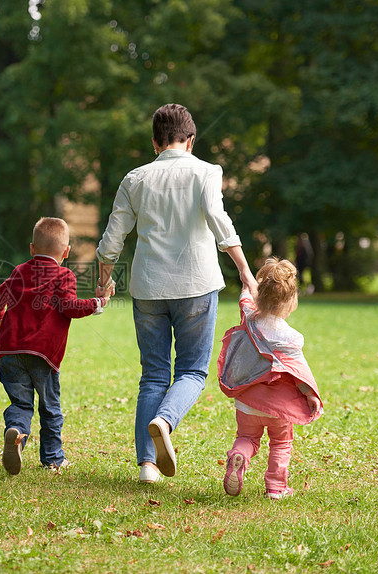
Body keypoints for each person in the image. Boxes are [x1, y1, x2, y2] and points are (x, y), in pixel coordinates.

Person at [95, 103, 258, 484]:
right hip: (196, 286)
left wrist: (104, 281)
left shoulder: (134, 179)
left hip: (148, 288)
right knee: (192, 371)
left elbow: (111, 240)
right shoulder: (206, 171)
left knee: (153, 375)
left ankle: (148, 467)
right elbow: (221, 224)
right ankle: (165, 421)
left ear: (155, 142)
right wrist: (246, 272)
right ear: (191, 139)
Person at [0, 217, 109, 475]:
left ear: (32, 248)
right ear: (66, 252)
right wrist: (98, 303)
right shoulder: (64, 274)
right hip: (43, 354)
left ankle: (17, 433)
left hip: (10, 351)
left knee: (20, 405)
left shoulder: (19, 270)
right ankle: (53, 458)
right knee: (50, 408)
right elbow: (69, 307)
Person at [217, 257, 323, 499]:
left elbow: (245, 297)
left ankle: (240, 456)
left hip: (247, 401)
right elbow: (299, 371)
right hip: (278, 407)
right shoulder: (291, 338)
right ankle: (276, 487)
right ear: (291, 302)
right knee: (281, 442)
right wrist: (310, 394)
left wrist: (247, 283)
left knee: (247, 437)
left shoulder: (249, 317)